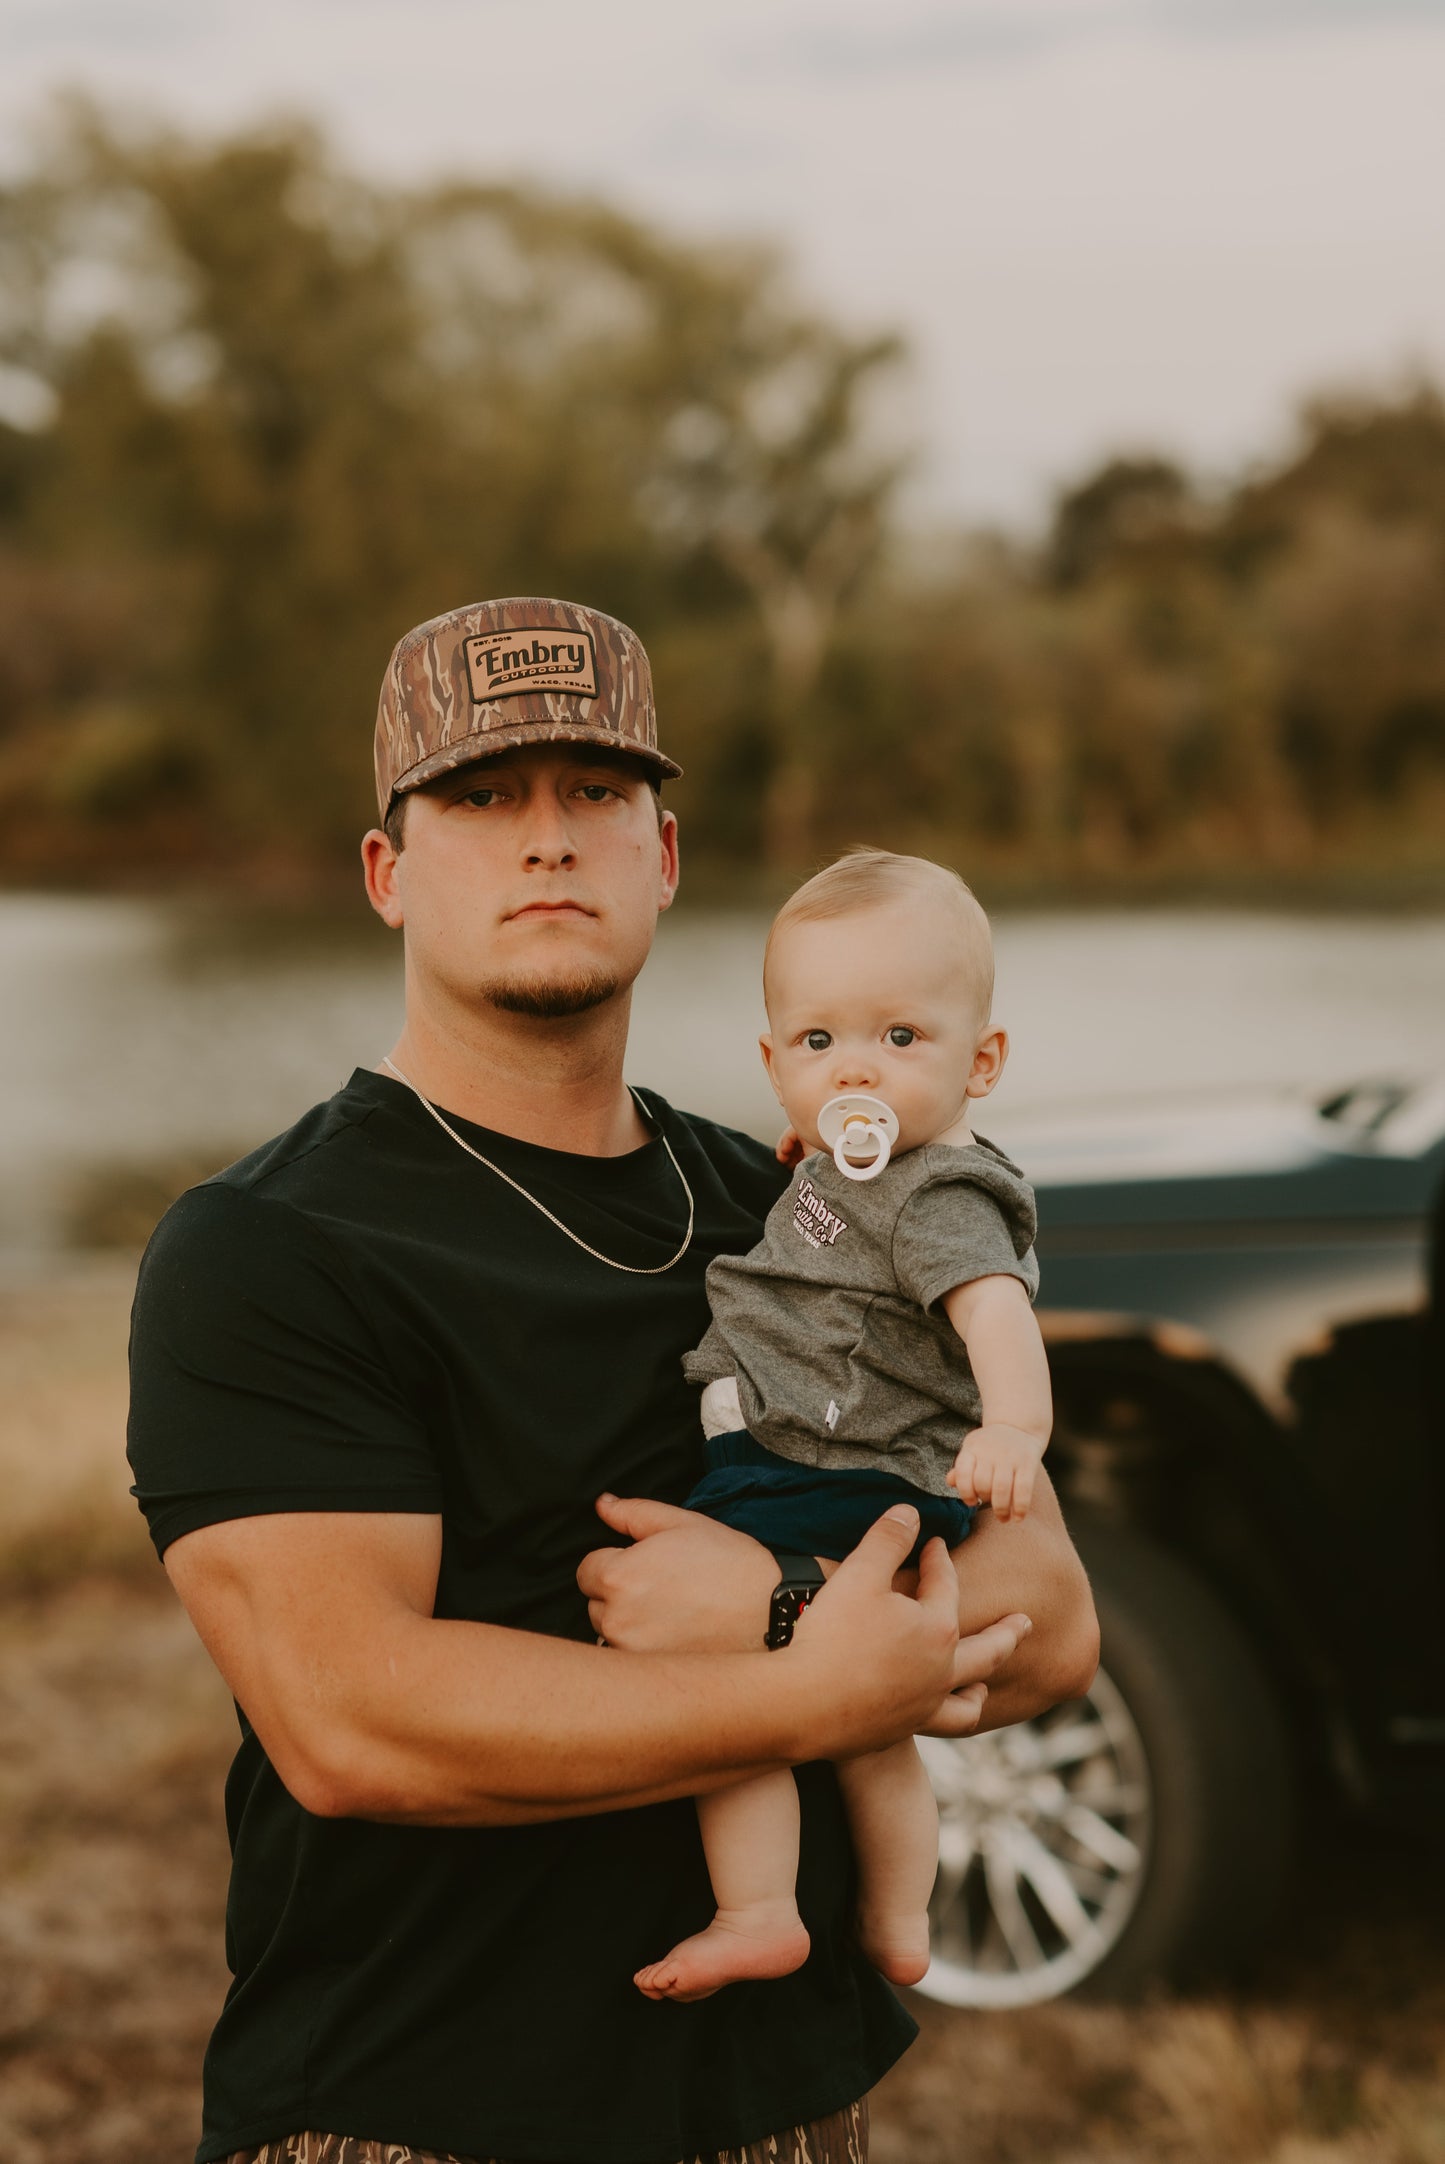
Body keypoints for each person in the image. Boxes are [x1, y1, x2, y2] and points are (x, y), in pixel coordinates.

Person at [127, 595, 1099, 2164]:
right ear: (386, 872)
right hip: (412, 2114)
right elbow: (355, 1723)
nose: (547, 838)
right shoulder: (269, 1248)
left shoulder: (800, 1209)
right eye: (479, 796)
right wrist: (806, 1685)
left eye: (595, 790)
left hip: (785, 2108)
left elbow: (1048, 1618)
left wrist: (776, 1604)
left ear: (662, 856)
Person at [635, 850, 1053, 2005]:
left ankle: (758, 1910)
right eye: (818, 1041)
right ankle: (897, 1917)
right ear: (773, 1065)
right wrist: (819, 1155)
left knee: (719, 1690)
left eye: (899, 1037)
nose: (854, 1067)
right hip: (828, 1458)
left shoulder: (937, 1199)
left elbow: (995, 1312)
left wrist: (1015, 1427)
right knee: (870, 1732)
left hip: (829, 1466)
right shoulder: (856, 1162)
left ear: (980, 1062)